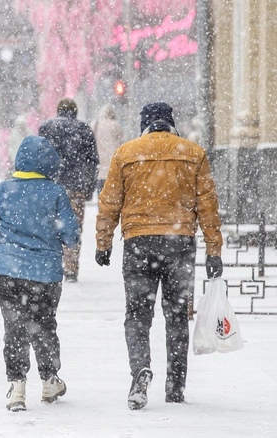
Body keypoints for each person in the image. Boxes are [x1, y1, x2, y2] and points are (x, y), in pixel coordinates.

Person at [95, 102, 223, 410]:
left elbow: (110, 202)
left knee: (138, 315)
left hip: (139, 243)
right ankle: (175, 387)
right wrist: (213, 249)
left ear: (145, 124)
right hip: (179, 243)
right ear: (170, 123)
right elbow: (208, 205)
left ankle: (140, 368)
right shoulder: (193, 153)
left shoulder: (126, 154)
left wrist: (103, 243)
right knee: (177, 316)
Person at [0, 135, 80, 412]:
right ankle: (49, 379)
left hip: (8, 273)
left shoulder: (2, 190)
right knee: (45, 327)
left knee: (14, 328)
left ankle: (17, 386)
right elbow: (70, 235)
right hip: (45, 275)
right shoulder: (56, 192)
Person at [39, 98, 99, 283]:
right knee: (73, 228)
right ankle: (71, 268)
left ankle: (51, 266)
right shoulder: (83, 129)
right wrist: (87, 188)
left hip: (50, 186)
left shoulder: (46, 128)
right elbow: (92, 161)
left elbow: (38, 157)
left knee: (49, 228)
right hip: (75, 187)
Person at [92, 104, 124, 193]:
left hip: (101, 164)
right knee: (113, 196)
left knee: (101, 194)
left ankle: (101, 205)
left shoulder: (97, 123)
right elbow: (121, 143)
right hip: (113, 166)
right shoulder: (116, 125)